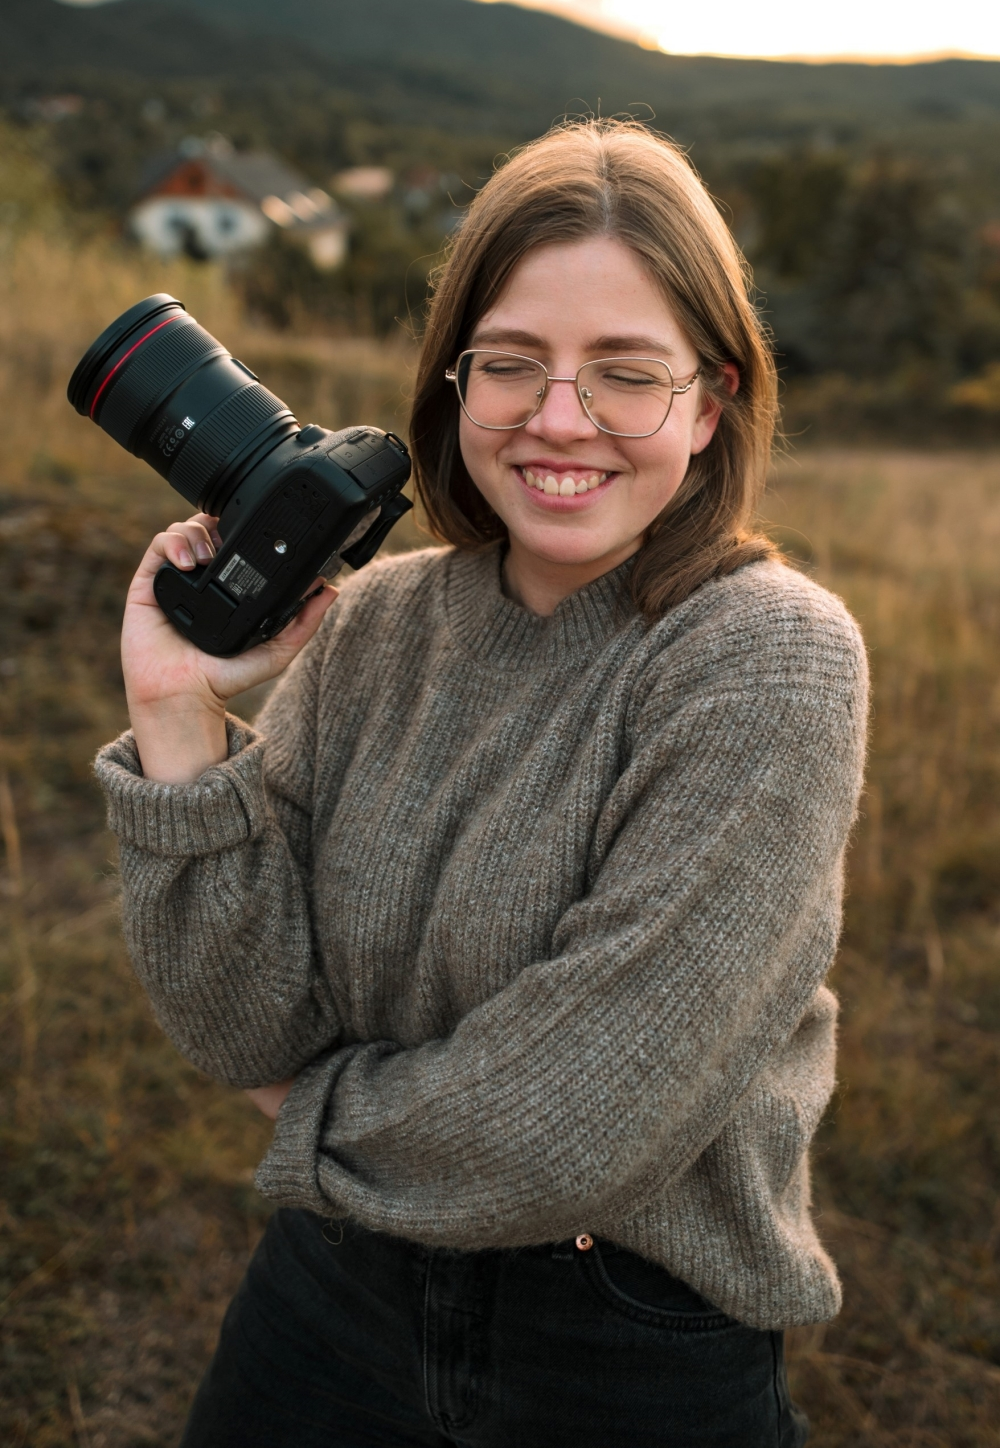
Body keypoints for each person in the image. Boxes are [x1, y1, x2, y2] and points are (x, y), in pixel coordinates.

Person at [95, 119, 868, 1448]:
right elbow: (237, 1026)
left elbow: (567, 1126)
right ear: (455, 382)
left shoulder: (768, 662)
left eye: (627, 375)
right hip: (328, 1301)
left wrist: (306, 1110)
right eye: (512, 364)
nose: (558, 420)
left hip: (623, 1347)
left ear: (715, 395)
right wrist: (174, 712)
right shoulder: (377, 623)